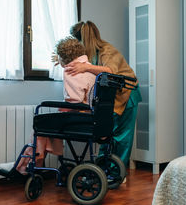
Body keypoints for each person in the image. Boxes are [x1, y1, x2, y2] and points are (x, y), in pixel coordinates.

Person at [66, 21, 141, 168]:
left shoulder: (107, 50)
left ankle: (116, 172)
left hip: (127, 94)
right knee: (106, 132)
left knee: (121, 136)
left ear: (83, 39)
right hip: (111, 96)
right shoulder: (90, 52)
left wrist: (85, 67)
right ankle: (102, 167)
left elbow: (110, 70)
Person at [17, 37, 96, 174]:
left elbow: (76, 100)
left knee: (40, 125)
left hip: (78, 120)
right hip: (93, 119)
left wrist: (65, 107)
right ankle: (36, 161)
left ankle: (30, 163)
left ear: (64, 57)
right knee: (47, 126)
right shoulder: (91, 69)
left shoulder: (71, 71)